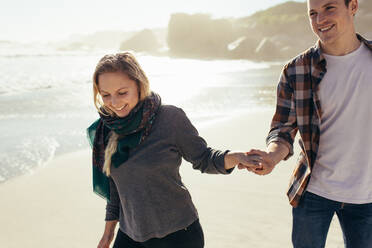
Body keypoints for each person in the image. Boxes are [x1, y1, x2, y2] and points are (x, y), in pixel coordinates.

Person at [87, 52, 260, 248]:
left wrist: (235, 157)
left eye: (122, 92)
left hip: (178, 235)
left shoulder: (169, 118)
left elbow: (203, 158)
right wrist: (107, 235)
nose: (115, 103)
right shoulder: (106, 129)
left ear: (139, 84)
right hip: (129, 236)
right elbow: (116, 189)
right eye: (106, 95)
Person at [242, 0, 372, 247]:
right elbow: (283, 129)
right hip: (313, 191)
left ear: (353, 6)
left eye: (329, 8)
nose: (320, 19)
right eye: (313, 13)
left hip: (367, 196)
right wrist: (271, 157)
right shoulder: (296, 70)